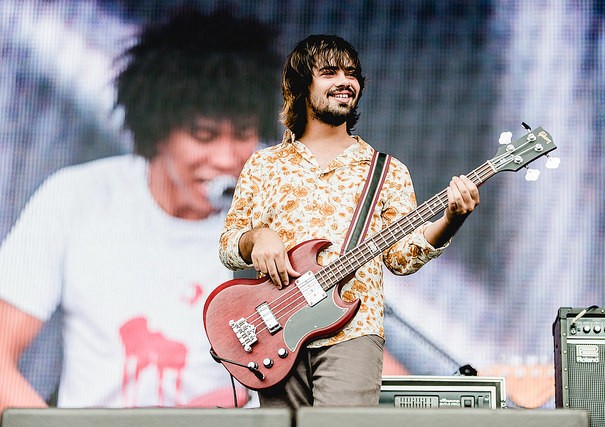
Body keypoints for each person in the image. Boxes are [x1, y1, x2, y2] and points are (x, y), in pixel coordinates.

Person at [0, 8, 280, 411]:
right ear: (157, 129)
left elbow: (363, 367)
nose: (225, 157)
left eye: (242, 134)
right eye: (203, 135)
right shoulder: (75, 198)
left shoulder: (278, 221)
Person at [218, 34, 480, 408]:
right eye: (329, 72)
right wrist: (256, 238)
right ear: (300, 86)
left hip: (354, 331)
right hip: (276, 330)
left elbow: (401, 259)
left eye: (352, 73)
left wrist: (451, 220)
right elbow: (229, 245)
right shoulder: (265, 165)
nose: (345, 81)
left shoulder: (387, 171)